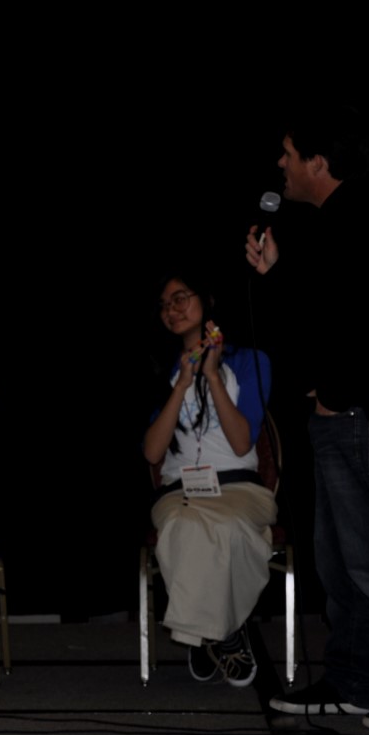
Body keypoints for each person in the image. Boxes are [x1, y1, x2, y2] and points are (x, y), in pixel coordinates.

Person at [246, 105, 369, 733]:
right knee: (342, 561)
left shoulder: (363, 219)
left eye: (289, 153)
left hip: (357, 418)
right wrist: (275, 275)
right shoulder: (334, 224)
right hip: (336, 417)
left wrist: (337, 394)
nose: (280, 164)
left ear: (318, 162)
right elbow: (317, 318)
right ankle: (353, 680)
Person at [143, 271, 275, 687]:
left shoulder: (250, 360)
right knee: (182, 524)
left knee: (229, 526)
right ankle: (227, 633)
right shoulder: (162, 371)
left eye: (180, 297)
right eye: (165, 305)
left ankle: (203, 633)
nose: (172, 309)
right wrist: (182, 383)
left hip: (238, 486)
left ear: (208, 301)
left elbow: (241, 442)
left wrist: (213, 376)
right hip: (179, 489)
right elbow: (152, 453)